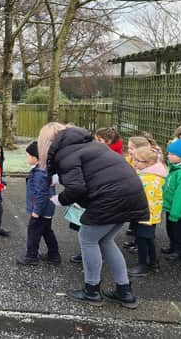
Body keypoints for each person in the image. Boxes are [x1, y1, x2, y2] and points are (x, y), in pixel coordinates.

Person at [39, 123, 148, 309]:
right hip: (132, 195)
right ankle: (125, 292)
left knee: (87, 240)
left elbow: (77, 188)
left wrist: (59, 199)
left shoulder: (66, 154)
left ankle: (92, 290)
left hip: (109, 199)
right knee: (105, 241)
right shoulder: (90, 145)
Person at [17, 141, 60, 265]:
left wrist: (36, 212)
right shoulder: (44, 170)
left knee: (33, 232)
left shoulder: (39, 174)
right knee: (46, 230)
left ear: (36, 158)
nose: (26, 158)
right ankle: (54, 255)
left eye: (27, 156)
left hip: (41, 209)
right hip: (47, 209)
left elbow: (41, 195)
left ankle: (31, 257)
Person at [128, 147, 167, 277]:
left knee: (142, 239)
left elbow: (146, 199)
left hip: (145, 215)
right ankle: (153, 262)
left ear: (148, 163)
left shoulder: (149, 179)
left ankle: (143, 265)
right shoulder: (149, 175)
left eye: (137, 160)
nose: (134, 163)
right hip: (149, 215)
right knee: (148, 238)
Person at [161, 138, 181, 262]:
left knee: (179, 231)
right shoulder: (175, 168)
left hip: (178, 210)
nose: (169, 156)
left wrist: (176, 212)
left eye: (172, 154)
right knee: (170, 229)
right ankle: (173, 247)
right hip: (171, 206)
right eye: (168, 153)